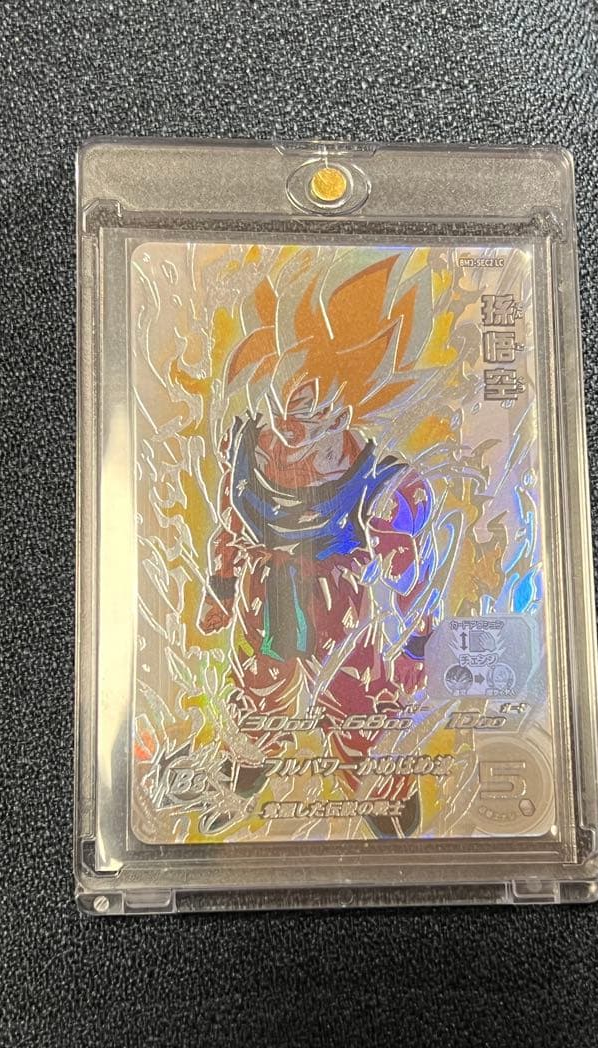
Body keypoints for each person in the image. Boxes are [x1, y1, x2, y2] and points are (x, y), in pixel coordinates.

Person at [198, 251, 439, 837]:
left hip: (340, 602)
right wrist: (222, 588)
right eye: (284, 399)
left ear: (344, 406)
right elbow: (231, 524)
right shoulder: (246, 449)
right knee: (258, 684)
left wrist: (416, 646)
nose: (289, 421)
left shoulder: (380, 483)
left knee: (357, 698)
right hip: (265, 592)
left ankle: (377, 784)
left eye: (309, 406)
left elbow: (409, 572)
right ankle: (248, 762)